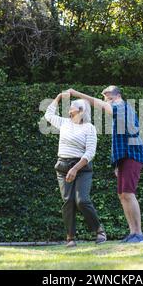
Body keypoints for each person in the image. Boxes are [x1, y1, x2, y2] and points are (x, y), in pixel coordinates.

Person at [67, 86, 143, 243]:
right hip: (124, 158)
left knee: (129, 194)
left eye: (106, 96)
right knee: (123, 195)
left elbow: (101, 105)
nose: (104, 99)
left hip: (132, 155)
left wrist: (76, 94)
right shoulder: (120, 110)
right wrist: (117, 164)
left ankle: (139, 234)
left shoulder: (122, 106)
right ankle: (133, 233)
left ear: (115, 96)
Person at [44, 91, 107, 247]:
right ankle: (70, 238)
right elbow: (48, 114)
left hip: (82, 168)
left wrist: (75, 169)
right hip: (63, 166)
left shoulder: (89, 128)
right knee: (68, 201)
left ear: (80, 111)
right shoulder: (64, 123)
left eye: (71, 107)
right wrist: (58, 97)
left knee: (82, 201)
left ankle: (99, 230)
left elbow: (90, 152)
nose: (69, 109)